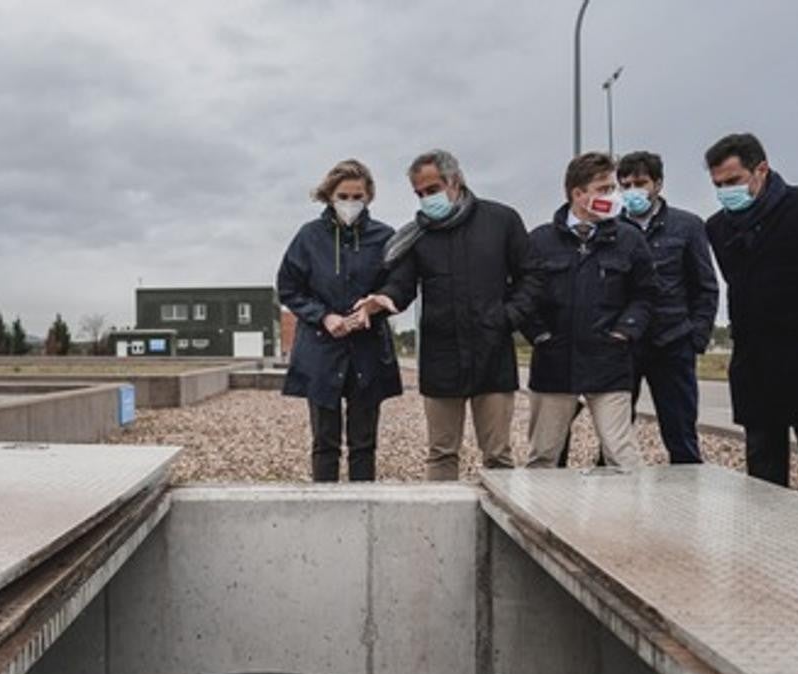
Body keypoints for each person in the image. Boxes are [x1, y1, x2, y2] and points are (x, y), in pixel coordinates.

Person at [354, 149, 540, 480]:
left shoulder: (501, 221)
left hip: (492, 352)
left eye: (432, 189)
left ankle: (501, 526)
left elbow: (531, 276)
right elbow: (402, 283)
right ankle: (438, 526)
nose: (427, 199)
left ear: (454, 181)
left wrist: (508, 317)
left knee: (498, 455)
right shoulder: (418, 234)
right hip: (441, 356)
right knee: (440, 453)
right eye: (420, 194)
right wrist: (382, 300)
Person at [704, 133, 798, 506]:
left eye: (734, 181)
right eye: (718, 185)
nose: (726, 191)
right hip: (756, 368)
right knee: (763, 480)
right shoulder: (718, 228)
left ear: (761, 169)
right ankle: (765, 552)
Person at [522, 152, 658, 468]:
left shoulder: (629, 239)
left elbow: (646, 294)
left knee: (622, 455)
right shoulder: (541, 241)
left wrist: (625, 331)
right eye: (605, 188)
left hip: (609, 362)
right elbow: (523, 294)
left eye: (614, 188)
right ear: (579, 194)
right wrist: (539, 335)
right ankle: (540, 515)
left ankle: (626, 517)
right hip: (554, 364)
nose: (614, 196)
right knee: (543, 456)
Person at [277, 159, 403, 482]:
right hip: (321, 351)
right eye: (343, 196)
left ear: (369, 196)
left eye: (357, 196)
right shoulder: (308, 237)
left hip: (368, 349)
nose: (350, 203)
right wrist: (323, 316)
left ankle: (363, 510)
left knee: (364, 443)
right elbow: (289, 288)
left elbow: (400, 284)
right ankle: (325, 511)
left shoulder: (385, 237)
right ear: (329, 197)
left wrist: (374, 306)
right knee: (324, 442)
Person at [617, 151, 719, 463]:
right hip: (625, 345)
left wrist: (696, 338)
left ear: (657, 183)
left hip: (673, 343)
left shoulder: (686, 226)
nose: (633, 190)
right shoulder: (613, 227)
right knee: (615, 435)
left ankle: (689, 497)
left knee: (681, 434)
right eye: (625, 184)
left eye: (640, 182)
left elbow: (705, 286)